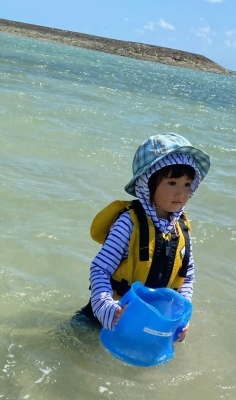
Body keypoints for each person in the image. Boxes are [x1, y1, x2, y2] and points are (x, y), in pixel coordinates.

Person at [78, 133, 211, 341]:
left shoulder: (180, 228)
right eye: (172, 183)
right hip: (107, 319)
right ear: (147, 183)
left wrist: (182, 317)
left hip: (147, 324)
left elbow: (188, 277)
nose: (181, 193)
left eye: (187, 184)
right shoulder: (128, 223)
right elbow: (100, 268)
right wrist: (107, 309)